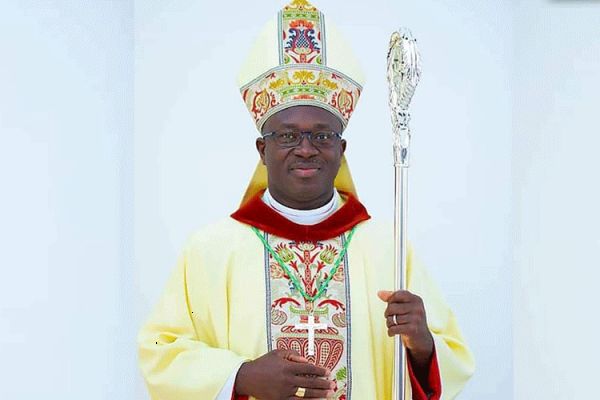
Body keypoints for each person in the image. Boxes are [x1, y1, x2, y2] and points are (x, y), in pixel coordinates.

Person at [137, 1, 474, 399]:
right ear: (262, 149)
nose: (306, 148)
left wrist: (423, 347)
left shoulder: (388, 249)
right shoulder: (210, 250)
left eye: (322, 135)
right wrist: (240, 376)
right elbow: (160, 354)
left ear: (341, 147)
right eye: (288, 136)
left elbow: (450, 362)